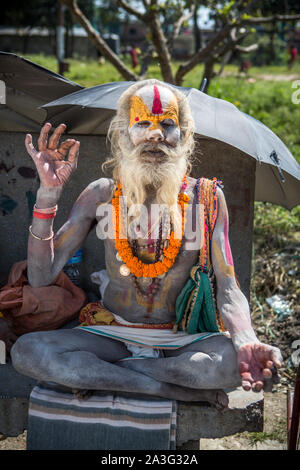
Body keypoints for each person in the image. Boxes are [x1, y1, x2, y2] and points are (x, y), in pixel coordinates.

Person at [11, 79, 282, 409]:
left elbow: (227, 287)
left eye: (167, 124)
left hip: (183, 338)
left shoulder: (207, 198)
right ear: (125, 136)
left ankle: (119, 376)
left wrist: (247, 341)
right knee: (27, 352)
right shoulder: (101, 194)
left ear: (184, 137)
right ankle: (164, 388)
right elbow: (40, 278)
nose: (156, 135)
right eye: (143, 123)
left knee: (228, 367)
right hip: (114, 332)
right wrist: (47, 195)